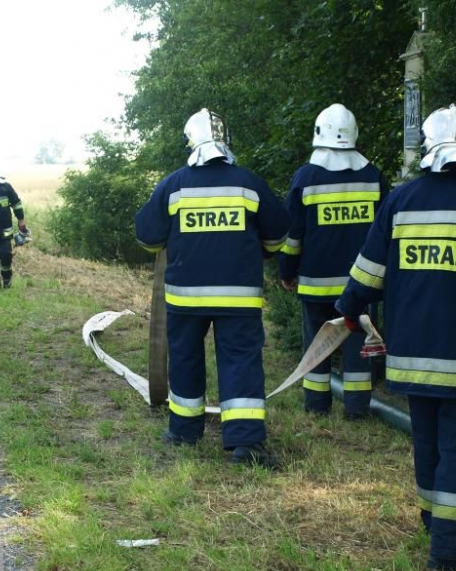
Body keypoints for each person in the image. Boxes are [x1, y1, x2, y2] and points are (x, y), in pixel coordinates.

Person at [336, 105, 456, 571]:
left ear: (426, 146)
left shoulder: (400, 203)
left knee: (428, 441)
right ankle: (453, 548)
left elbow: (366, 276)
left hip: (412, 358)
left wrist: (347, 311)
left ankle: (432, 521)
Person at [135, 108, 290, 469]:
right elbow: (278, 233)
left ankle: (183, 432)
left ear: (191, 143)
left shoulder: (174, 185)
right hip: (239, 296)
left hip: (185, 297)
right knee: (241, 362)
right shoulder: (248, 183)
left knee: (186, 359)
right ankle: (246, 444)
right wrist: (257, 252)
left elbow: (147, 236)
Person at [277, 104, 388, 419]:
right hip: (360, 287)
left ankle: (316, 408)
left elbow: (293, 235)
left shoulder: (306, 178)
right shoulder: (372, 177)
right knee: (358, 350)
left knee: (316, 346)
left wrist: (287, 272)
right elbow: (385, 234)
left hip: (315, 284)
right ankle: (356, 411)